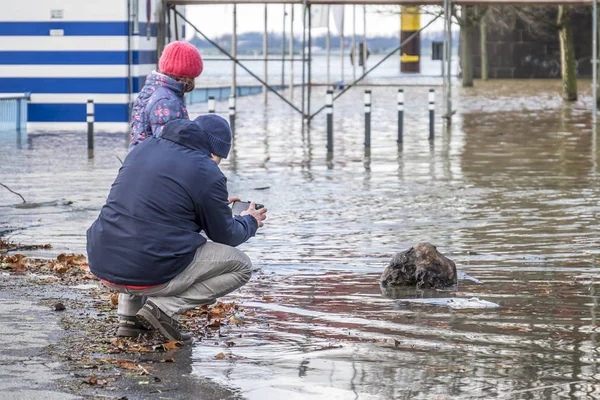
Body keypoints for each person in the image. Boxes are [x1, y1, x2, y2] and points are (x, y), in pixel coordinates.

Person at [86, 115, 267, 343]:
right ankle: (161, 309)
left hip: (104, 263)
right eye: (220, 158)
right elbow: (226, 235)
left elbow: (153, 208)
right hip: (146, 274)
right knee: (241, 266)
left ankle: (129, 320)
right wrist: (249, 221)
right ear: (213, 151)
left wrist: (208, 205)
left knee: (135, 232)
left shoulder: (144, 148)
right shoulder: (206, 170)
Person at [129, 41, 203, 151]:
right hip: (156, 165)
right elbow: (172, 146)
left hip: (140, 161)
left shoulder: (150, 90)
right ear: (185, 76)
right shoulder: (167, 101)